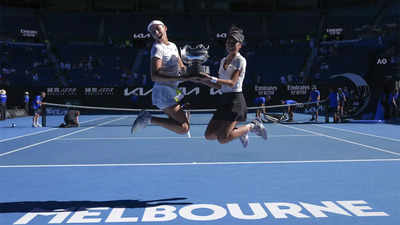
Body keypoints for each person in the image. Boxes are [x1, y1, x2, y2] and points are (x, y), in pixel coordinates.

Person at [195, 25, 267, 148]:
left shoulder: (240, 60)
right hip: (224, 101)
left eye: (234, 42)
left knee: (222, 139)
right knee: (209, 135)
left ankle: (252, 125)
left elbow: (232, 82)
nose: (230, 44)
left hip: (235, 101)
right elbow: (219, 85)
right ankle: (239, 132)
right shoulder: (223, 61)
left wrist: (211, 78)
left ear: (240, 45)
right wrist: (200, 80)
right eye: (229, 41)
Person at [132, 20, 195, 136]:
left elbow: (181, 67)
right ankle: (148, 118)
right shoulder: (157, 48)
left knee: (180, 122)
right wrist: (179, 78)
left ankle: (152, 117)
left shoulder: (173, 46)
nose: (155, 31)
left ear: (165, 28)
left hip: (173, 91)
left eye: (157, 28)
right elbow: (155, 76)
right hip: (163, 93)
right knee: (184, 128)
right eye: (152, 31)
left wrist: (193, 69)